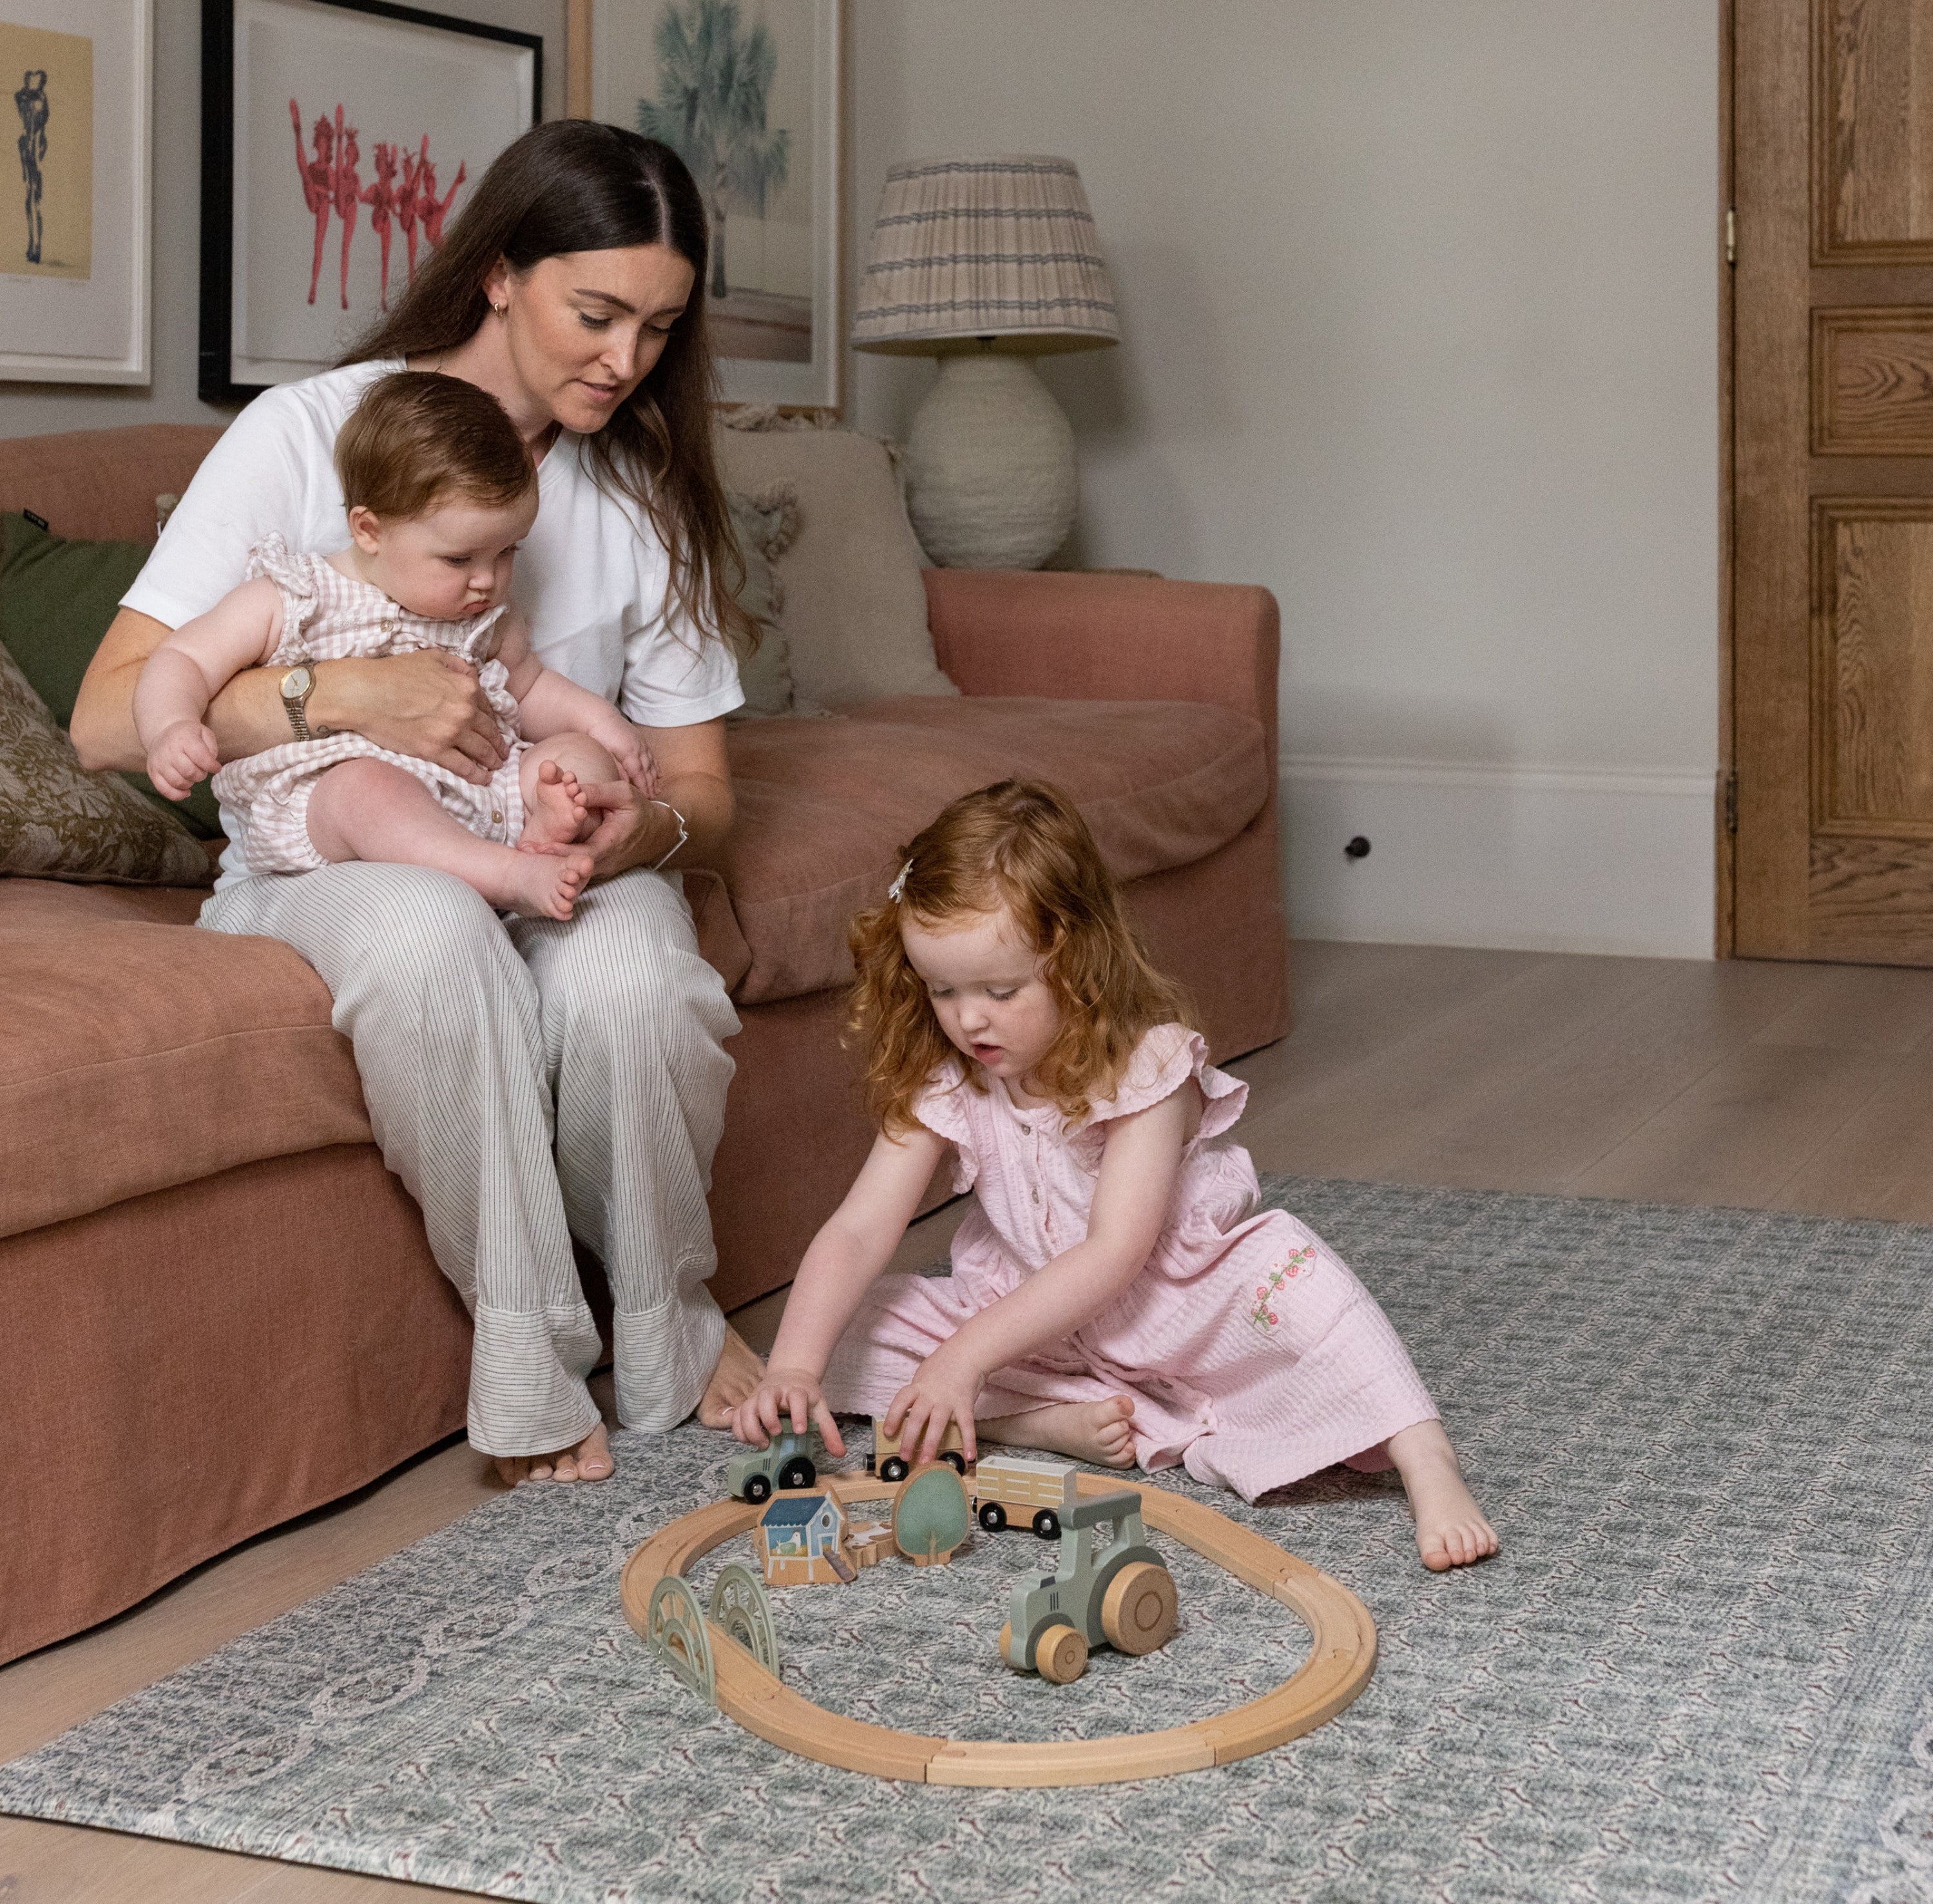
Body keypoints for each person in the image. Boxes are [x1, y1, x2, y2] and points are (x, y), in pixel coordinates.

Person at [72, 120, 769, 1487]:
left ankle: (668, 1319)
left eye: (659, 328)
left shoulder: (643, 493)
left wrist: (638, 831)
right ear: (499, 274)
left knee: (637, 977)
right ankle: (527, 1357)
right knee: (433, 937)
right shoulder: (311, 435)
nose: (625, 361)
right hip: (335, 853)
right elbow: (108, 716)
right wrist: (344, 697)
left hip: (539, 836)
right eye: (596, 314)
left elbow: (707, 799)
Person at [733, 780, 1499, 1572]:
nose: (968, 1018)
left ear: (1076, 962)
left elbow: (1115, 1251)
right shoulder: (949, 1077)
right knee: (856, 1325)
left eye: (1001, 991)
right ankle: (1031, 1421)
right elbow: (859, 1230)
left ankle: (1424, 1457)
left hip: (1175, 1306)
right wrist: (793, 1366)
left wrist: (963, 1359)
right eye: (942, 990)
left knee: (1299, 1282)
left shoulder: (1147, 1064)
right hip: (1033, 1317)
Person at [133, 370, 659, 923]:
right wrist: (171, 725)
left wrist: (604, 727)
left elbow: (533, 690)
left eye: (508, 552)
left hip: (481, 799)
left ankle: (547, 835)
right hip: (341, 817)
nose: (487, 581)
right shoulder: (291, 598)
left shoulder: (485, 621)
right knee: (366, 788)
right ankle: (508, 876)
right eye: (459, 559)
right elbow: (182, 658)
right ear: (369, 531)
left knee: (576, 758)